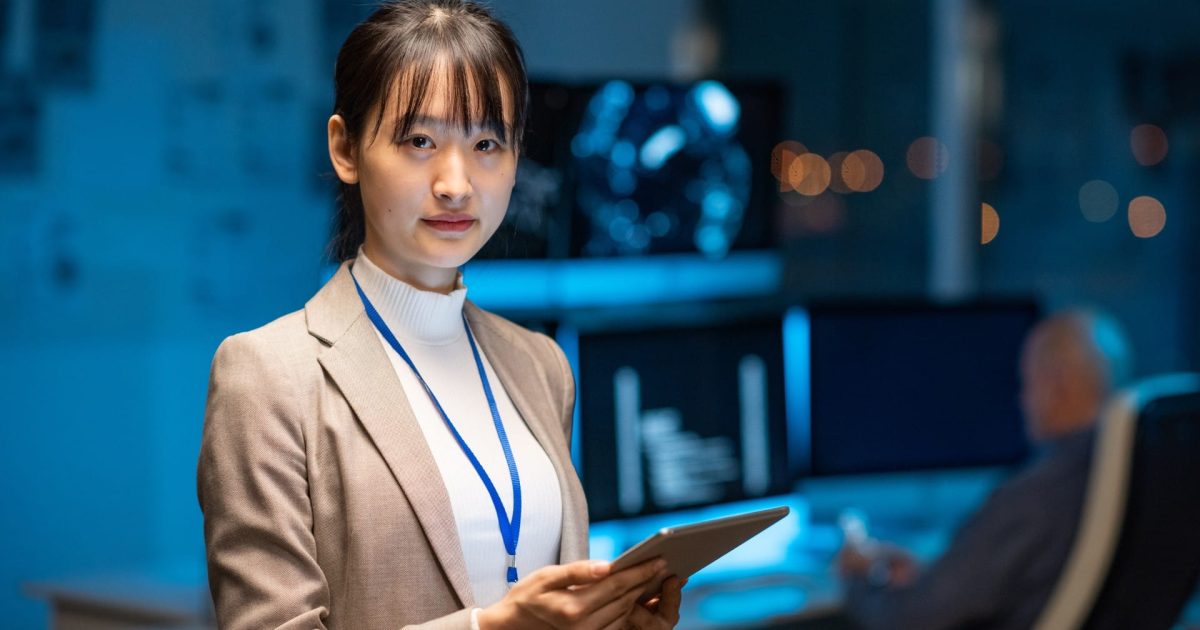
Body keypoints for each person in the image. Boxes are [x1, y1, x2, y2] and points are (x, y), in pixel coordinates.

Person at [197, 2, 684, 628]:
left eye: (486, 144)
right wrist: (491, 627)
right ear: (345, 148)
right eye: (420, 141)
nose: (456, 184)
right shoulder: (268, 376)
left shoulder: (540, 365)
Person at [837, 309, 1133, 630]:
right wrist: (936, 572)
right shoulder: (1123, 476)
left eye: (1027, 383)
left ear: (1055, 386)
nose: (1023, 399)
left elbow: (908, 620)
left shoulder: (1036, 497)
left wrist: (858, 579)